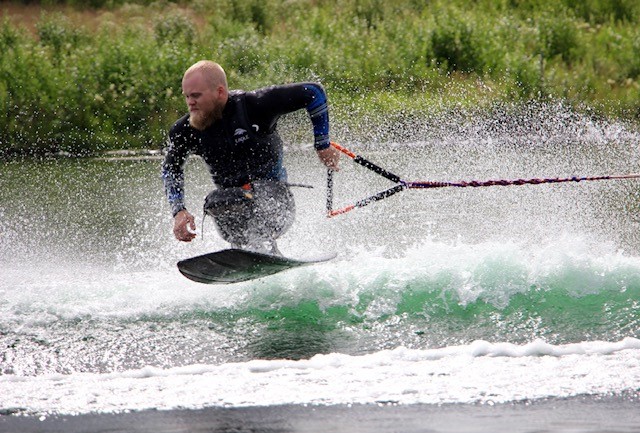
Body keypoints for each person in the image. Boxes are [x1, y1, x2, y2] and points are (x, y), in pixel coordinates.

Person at [162, 60, 340, 255]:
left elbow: (313, 92)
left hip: (277, 203)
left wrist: (323, 145)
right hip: (231, 207)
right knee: (218, 199)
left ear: (220, 92)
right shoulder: (184, 131)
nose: (190, 102)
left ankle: (266, 252)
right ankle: (246, 257)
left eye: (196, 96)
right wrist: (179, 210)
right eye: (187, 96)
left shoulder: (254, 106)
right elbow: (171, 169)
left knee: (244, 197)